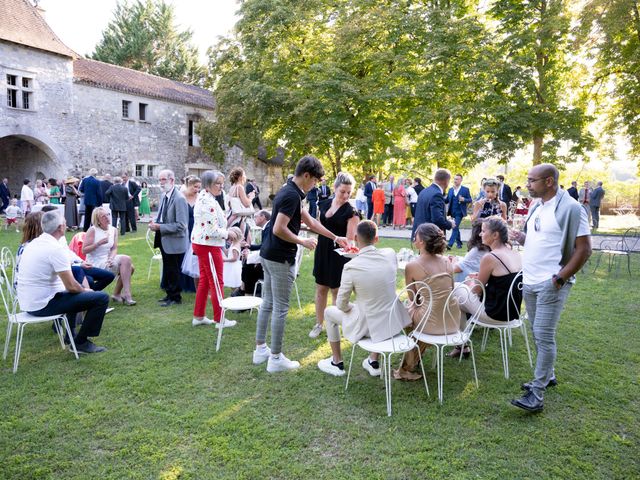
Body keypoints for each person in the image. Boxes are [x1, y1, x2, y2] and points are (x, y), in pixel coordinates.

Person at [253, 155, 348, 373]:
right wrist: (301, 241)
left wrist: (335, 237)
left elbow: (310, 221)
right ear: (306, 175)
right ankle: (275, 358)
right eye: (315, 180)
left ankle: (261, 350)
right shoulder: (291, 196)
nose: (315, 184)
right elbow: (278, 228)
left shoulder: (292, 191)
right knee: (280, 308)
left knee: (267, 302)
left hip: (269, 254)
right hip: (279, 257)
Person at [509, 163, 591, 413]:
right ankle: (549, 375)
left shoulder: (572, 208)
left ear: (549, 182)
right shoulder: (537, 206)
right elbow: (542, 238)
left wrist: (559, 279)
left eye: (532, 180)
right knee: (536, 331)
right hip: (530, 281)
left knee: (544, 336)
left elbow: (584, 249)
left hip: (550, 283)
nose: (528, 184)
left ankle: (537, 392)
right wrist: (522, 238)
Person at [317, 220, 411, 377]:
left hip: (368, 327)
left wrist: (351, 308)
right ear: (377, 238)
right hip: (389, 323)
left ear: (355, 238)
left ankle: (337, 362)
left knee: (329, 311)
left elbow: (341, 304)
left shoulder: (351, 267)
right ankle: (373, 361)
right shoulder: (390, 254)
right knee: (377, 303)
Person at [16, 210, 109, 354]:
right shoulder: (55, 248)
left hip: (28, 302)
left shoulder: (35, 243)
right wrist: (86, 290)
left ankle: (70, 335)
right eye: (65, 223)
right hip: (41, 305)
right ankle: (81, 343)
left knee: (74, 294)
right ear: (60, 227)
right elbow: (71, 286)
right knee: (100, 298)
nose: (66, 225)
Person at [395, 222, 460, 380]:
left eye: (415, 235)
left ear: (421, 241)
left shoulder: (412, 265)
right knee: (422, 313)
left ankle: (405, 368)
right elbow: (449, 289)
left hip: (431, 323)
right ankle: (412, 361)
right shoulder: (447, 262)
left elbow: (413, 298)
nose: (414, 237)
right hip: (452, 319)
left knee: (402, 312)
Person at [451, 217, 523, 358]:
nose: (479, 234)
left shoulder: (490, 257)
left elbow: (476, 291)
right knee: (458, 299)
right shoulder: (515, 253)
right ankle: (461, 346)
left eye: (483, 231)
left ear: (495, 235)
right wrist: (479, 278)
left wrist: (470, 282)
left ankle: (459, 344)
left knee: (455, 289)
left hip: (494, 314)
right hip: (512, 313)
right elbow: (503, 281)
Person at [309, 172, 359, 338]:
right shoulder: (323, 204)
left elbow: (351, 240)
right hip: (322, 250)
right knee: (320, 288)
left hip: (339, 255)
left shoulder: (351, 212)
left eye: (348, 193)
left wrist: (347, 245)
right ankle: (319, 324)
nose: (345, 196)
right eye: (342, 191)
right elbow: (316, 225)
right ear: (335, 188)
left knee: (336, 291)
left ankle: (335, 325)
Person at [191, 170, 239, 326]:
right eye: (217, 183)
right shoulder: (207, 201)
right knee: (217, 282)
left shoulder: (208, 197)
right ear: (207, 185)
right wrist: (228, 233)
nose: (221, 186)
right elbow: (212, 231)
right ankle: (220, 318)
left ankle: (198, 316)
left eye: (221, 183)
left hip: (203, 243)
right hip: (208, 245)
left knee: (205, 280)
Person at [149, 169, 189, 307]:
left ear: (172, 180)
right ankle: (169, 295)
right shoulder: (165, 195)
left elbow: (182, 225)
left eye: (163, 180)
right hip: (165, 239)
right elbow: (163, 217)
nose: (161, 183)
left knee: (174, 270)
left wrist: (160, 227)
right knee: (168, 269)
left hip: (175, 241)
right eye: (159, 180)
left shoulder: (179, 198)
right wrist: (155, 222)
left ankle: (175, 297)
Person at [83, 207, 137, 305]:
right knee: (127, 262)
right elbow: (84, 250)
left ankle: (119, 294)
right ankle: (126, 295)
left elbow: (114, 248)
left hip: (107, 259)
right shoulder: (93, 230)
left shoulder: (113, 230)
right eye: (103, 216)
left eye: (108, 214)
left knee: (129, 265)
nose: (107, 218)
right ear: (98, 220)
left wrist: (111, 258)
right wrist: (98, 243)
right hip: (94, 263)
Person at [236, 210, 271, 297]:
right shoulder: (267, 227)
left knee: (248, 266)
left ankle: (245, 292)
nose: (254, 219)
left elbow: (266, 248)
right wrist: (249, 246)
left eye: (255, 217)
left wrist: (250, 256)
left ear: (263, 217)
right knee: (248, 265)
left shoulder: (269, 228)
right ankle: (244, 291)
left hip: (272, 266)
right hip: (269, 261)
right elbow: (263, 246)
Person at [412, 168, 453, 241]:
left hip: (420, 235)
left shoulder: (424, 191)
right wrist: (450, 224)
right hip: (430, 238)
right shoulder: (437, 194)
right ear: (446, 181)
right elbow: (437, 219)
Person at [180, 175, 201, 293]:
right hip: (184, 227)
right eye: (195, 187)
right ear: (188, 185)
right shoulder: (181, 196)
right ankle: (182, 283)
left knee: (193, 256)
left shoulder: (199, 197)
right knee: (184, 253)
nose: (197, 189)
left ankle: (194, 283)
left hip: (196, 227)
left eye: (198, 187)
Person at [446, 173, 473, 249]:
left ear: (461, 180)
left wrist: (464, 199)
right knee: (456, 227)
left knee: (454, 227)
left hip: (460, 212)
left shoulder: (465, 189)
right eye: (454, 179)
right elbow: (447, 200)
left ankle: (449, 244)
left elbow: (470, 199)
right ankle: (459, 243)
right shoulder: (450, 190)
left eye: (457, 179)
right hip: (452, 212)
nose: (455, 180)